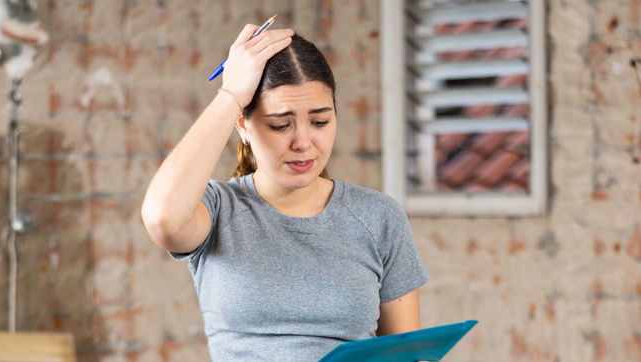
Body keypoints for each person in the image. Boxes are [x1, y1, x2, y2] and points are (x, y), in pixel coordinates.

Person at [141, 25, 428, 361]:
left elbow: (408, 355)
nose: (303, 143)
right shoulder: (218, 210)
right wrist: (231, 94)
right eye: (281, 125)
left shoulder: (378, 216)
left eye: (319, 122)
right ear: (244, 126)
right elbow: (163, 218)